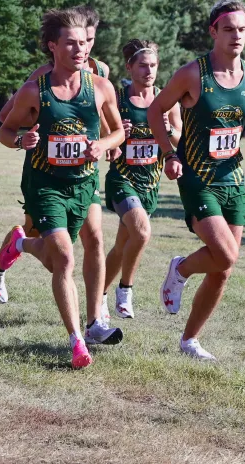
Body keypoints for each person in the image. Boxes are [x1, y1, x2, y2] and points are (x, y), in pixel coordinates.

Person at [148, 0, 245, 362]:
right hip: (197, 178)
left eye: (242, 29)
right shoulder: (193, 74)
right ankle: (181, 269)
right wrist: (169, 153)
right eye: (229, 29)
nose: (236, 35)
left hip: (233, 179)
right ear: (214, 31)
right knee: (226, 253)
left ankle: (189, 340)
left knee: (224, 269)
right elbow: (156, 109)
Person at [0, 8, 125, 369]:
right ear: (53, 46)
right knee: (65, 257)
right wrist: (23, 141)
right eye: (71, 43)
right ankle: (78, 341)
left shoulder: (100, 87)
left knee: (58, 257)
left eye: (84, 43)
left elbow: (119, 131)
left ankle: (19, 244)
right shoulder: (35, 89)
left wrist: (102, 144)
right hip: (45, 185)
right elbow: (5, 130)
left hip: (83, 185)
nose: (80, 50)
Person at [102, 40, 181, 320]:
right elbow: (104, 137)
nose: (149, 71)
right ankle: (125, 290)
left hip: (150, 183)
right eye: (143, 65)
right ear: (130, 67)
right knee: (143, 233)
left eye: (153, 65)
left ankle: (98, 295)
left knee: (123, 245)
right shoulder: (118, 100)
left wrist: (168, 127)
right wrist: (116, 133)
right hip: (122, 179)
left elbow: (178, 139)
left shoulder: (166, 100)